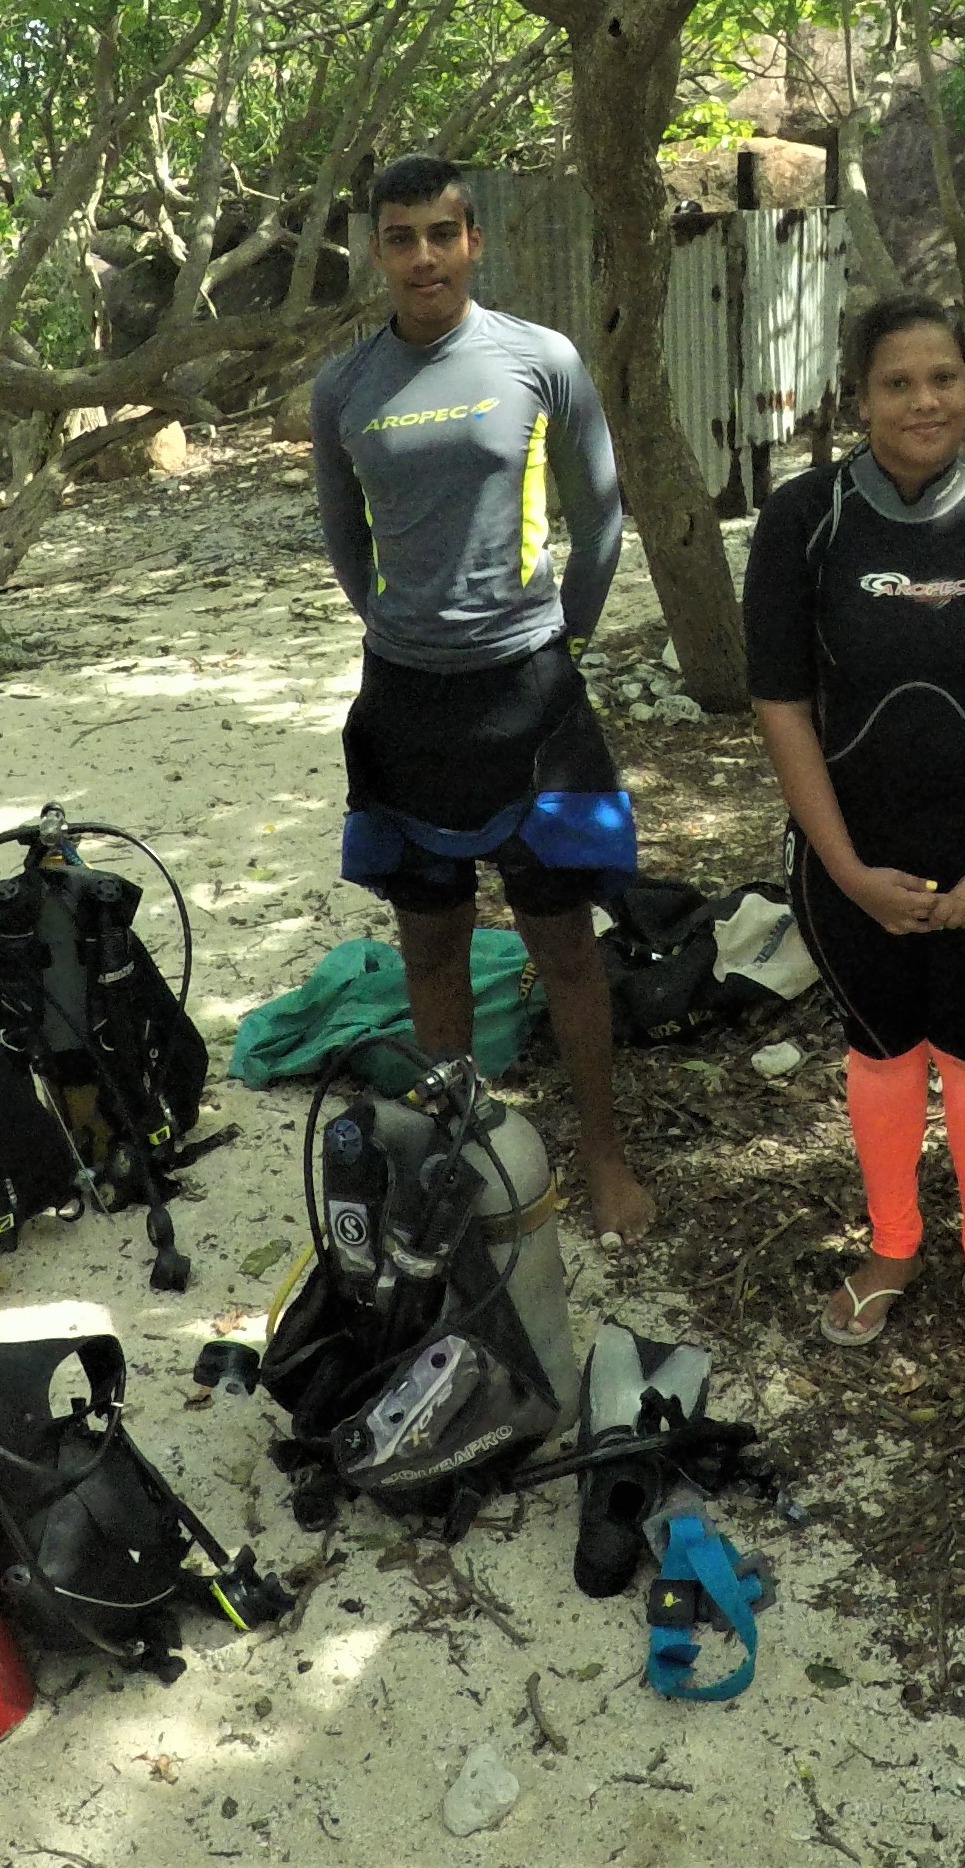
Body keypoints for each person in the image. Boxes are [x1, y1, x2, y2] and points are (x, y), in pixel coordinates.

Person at [746, 294, 965, 1370]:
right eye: (897, 382)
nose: (923, 401)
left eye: (944, 378)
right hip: (853, 851)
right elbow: (780, 704)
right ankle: (892, 1247)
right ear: (860, 398)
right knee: (883, 1051)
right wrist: (845, 869)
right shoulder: (806, 518)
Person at [313, 153, 648, 1236]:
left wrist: (562, 639)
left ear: (474, 241)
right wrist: (402, 628)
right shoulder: (344, 388)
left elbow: (600, 516)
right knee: (431, 944)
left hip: (530, 691)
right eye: (400, 237)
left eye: (441, 235)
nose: (424, 257)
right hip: (406, 701)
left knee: (564, 945)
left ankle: (602, 1155)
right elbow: (344, 538)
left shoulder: (539, 359)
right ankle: (455, 1154)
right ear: (377, 250)